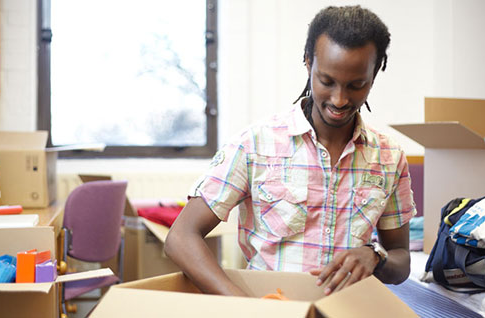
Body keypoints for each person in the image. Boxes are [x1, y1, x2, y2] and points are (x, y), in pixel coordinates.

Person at [164, 5, 416, 297]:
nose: (339, 99)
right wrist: (243, 305)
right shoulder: (255, 144)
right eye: (327, 81)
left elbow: (401, 259)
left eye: (356, 85)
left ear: (375, 72)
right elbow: (181, 237)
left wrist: (375, 256)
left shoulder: (388, 157)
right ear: (308, 62)